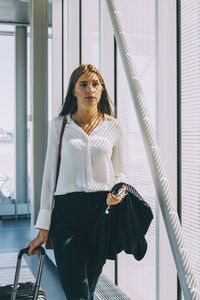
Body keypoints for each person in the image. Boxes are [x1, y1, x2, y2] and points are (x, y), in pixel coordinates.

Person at [26, 64, 127, 300]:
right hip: (66, 215)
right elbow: (49, 177)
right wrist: (43, 230)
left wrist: (118, 192)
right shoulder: (59, 125)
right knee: (77, 291)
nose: (90, 89)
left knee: (87, 289)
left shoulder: (114, 126)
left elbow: (121, 172)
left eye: (95, 84)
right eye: (83, 84)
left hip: (101, 214)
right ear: (73, 90)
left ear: (102, 90)